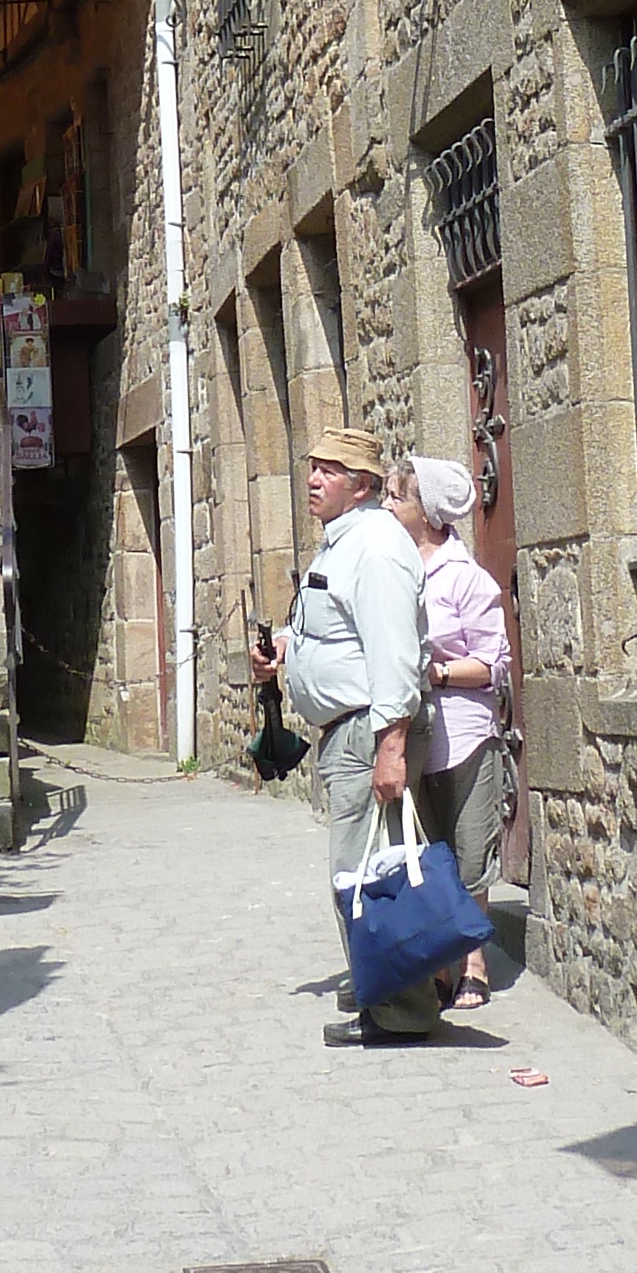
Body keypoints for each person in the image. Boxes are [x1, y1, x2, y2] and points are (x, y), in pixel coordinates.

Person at [260, 422, 440, 1047]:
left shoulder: (375, 547)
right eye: (313, 466)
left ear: (361, 486)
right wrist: (285, 651)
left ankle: (401, 1011)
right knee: (364, 870)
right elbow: (340, 633)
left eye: (329, 471)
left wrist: (390, 747)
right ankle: (384, 986)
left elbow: (395, 656)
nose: (313, 479)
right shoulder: (343, 545)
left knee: (370, 873)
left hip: (370, 730)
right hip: (352, 729)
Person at [391, 451, 511, 1008]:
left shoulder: (466, 579)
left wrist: (435, 670)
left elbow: (493, 665)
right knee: (430, 852)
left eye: (400, 497)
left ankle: (476, 964)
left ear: (429, 512)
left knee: (468, 853)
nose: (389, 504)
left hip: (464, 734)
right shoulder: (396, 570)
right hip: (416, 733)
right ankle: (441, 964)